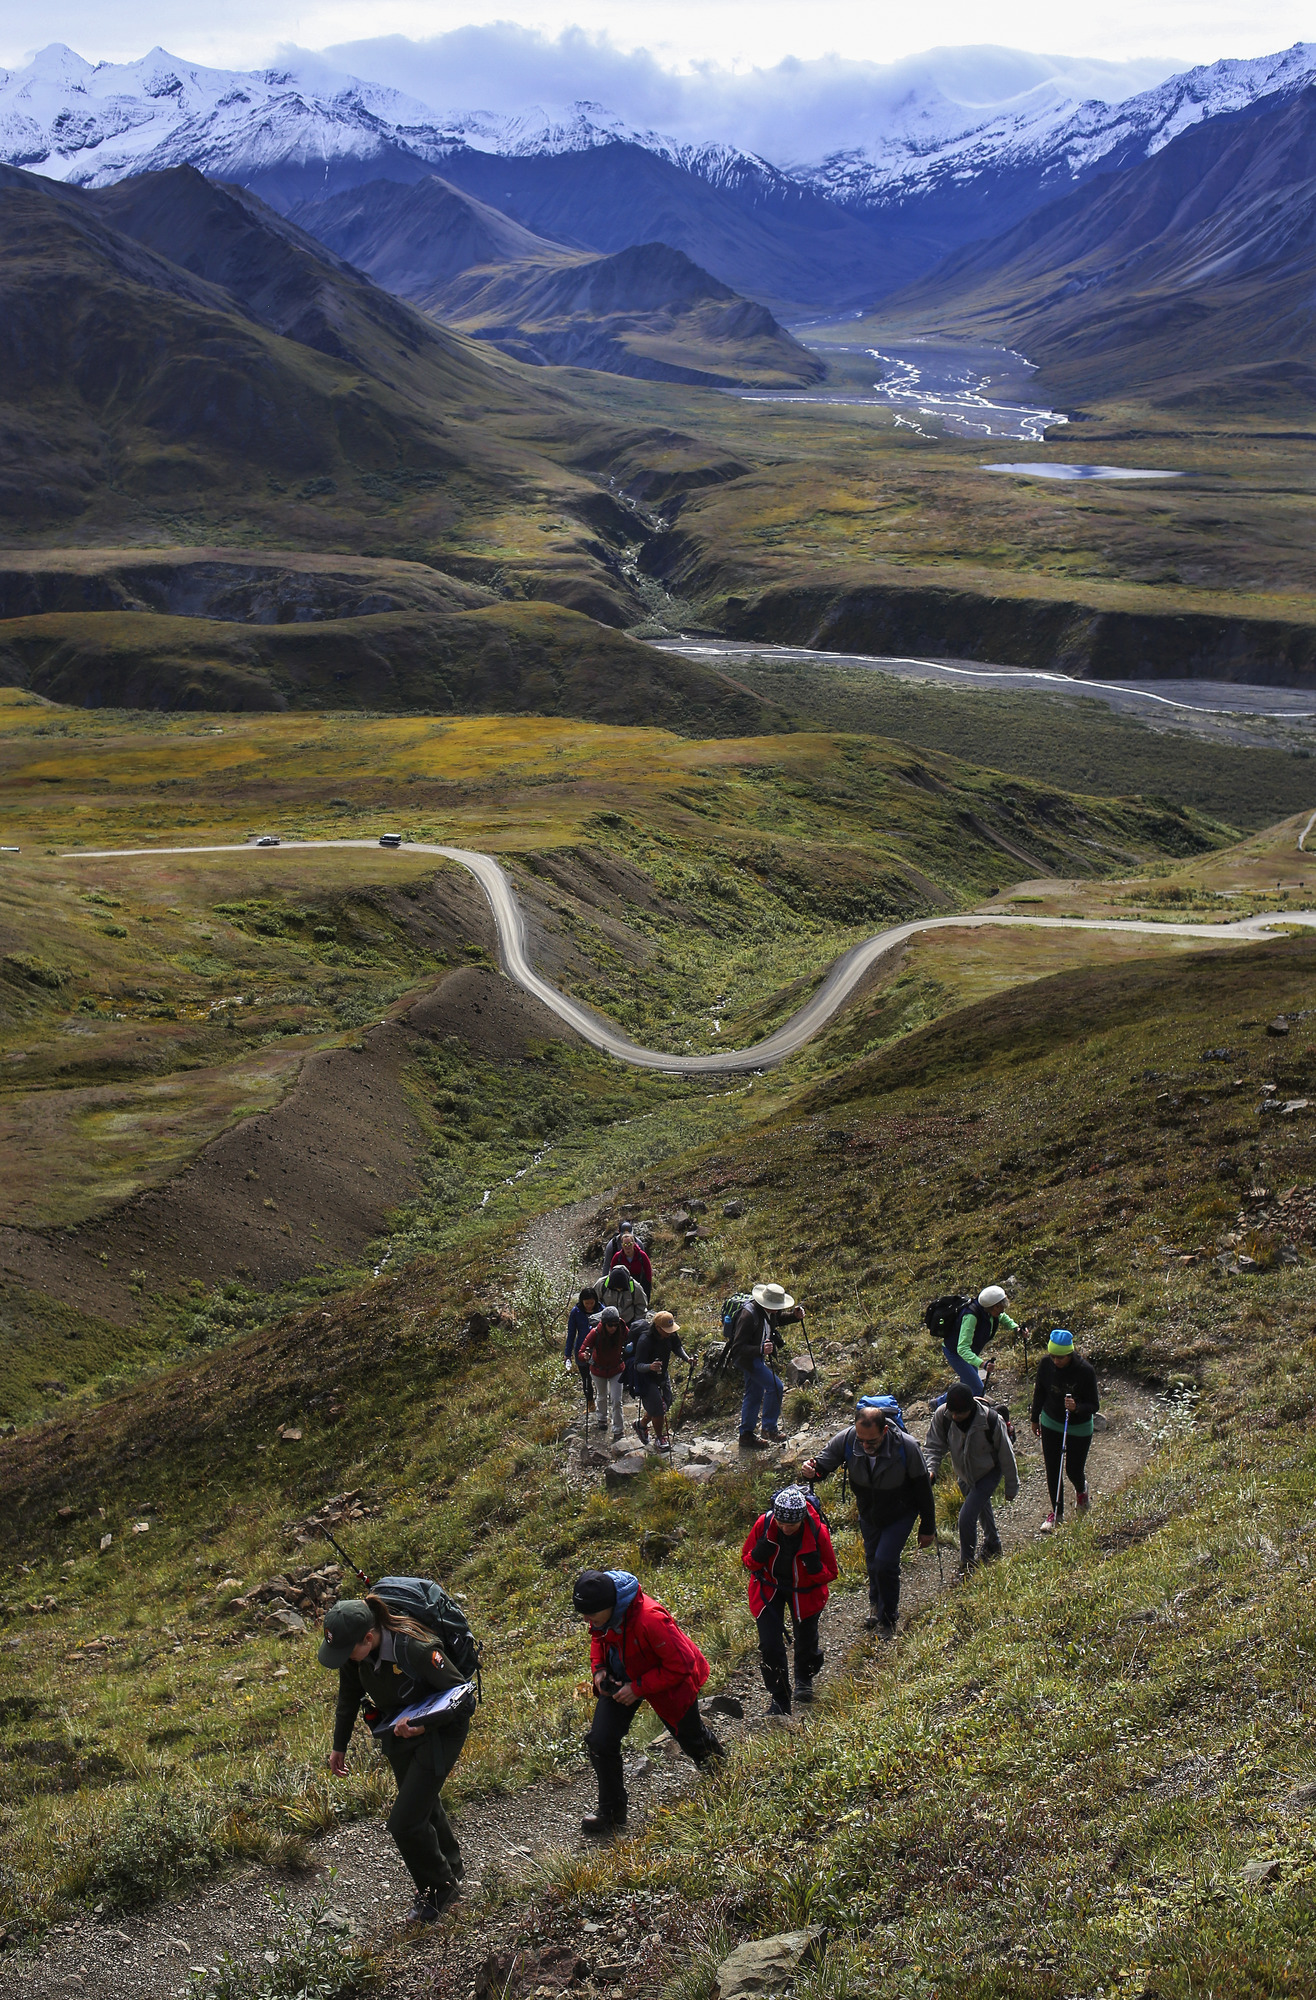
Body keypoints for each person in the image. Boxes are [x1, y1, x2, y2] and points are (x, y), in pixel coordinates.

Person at [320, 1593, 475, 1924]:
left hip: (441, 1732)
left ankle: (438, 1890)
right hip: (398, 1732)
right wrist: (339, 1745)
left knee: (404, 1822)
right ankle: (452, 1867)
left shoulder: (416, 1648)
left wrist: (422, 1725)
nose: (345, 1658)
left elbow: (463, 1699)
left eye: (348, 1651)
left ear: (369, 1637)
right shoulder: (355, 1656)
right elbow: (348, 1697)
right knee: (421, 1803)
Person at [573, 1569, 724, 1838]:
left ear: (610, 1605)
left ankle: (722, 1775)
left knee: (689, 1734)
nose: (586, 1620)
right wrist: (599, 1670)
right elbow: (599, 1637)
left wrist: (639, 1688)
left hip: (668, 1680)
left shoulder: (650, 1619)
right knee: (600, 1741)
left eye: (590, 1614)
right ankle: (611, 1812)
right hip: (623, 1679)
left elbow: (682, 1664)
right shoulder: (601, 1616)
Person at [802, 1396, 935, 1636]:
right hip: (868, 1511)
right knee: (873, 1561)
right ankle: (877, 1606)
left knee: (885, 1563)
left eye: (871, 1441)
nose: (865, 1446)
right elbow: (822, 1467)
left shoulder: (907, 1447)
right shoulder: (848, 1439)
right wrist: (811, 1471)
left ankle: (888, 1618)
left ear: (884, 1430)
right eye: (862, 1440)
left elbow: (923, 1489)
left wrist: (928, 1526)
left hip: (901, 1511)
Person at [741, 1486, 837, 1714]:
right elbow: (747, 1561)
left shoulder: (817, 1532)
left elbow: (831, 1572)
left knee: (806, 1637)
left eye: (791, 1525)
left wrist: (814, 1568)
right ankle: (779, 1699)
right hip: (768, 1587)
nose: (785, 1529)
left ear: (802, 1519)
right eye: (781, 1523)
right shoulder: (764, 1525)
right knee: (769, 1645)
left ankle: (804, 1679)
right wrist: (758, 1554)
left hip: (804, 1591)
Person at [924, 1382, 1019, 1576]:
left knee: (966, 1517)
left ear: (971, 1408)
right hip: (964, 1473)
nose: (955, 1417)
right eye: (953, 1412)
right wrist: (930, 1470)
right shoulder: (943, 1415)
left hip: (990, 1471)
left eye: (960, 1413)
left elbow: (1006, 1455)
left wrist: (1012, 1487)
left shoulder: (991, 1420)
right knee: (981, 1507)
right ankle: (994, 1543)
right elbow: (934, 1446)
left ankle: (967, 1565)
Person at [1031, 1328, 1100, 1527]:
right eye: (1053, 1356)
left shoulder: (1085, 1371)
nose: (1055, 1361)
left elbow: (1094, 1405)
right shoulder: (1046, 1365)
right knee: (1053, 1469)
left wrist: (1077, 1407)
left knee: (1073, 1469)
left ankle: (1081, 1490)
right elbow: (1040, 1391)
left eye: (1060, 1357)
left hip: (1079, 1426)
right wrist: (1035, 1418)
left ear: (1069, 1354)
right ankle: (1056, 1513)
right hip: (1051, 1421)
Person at [729, 1281, 804, 1449]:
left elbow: (777, 1320)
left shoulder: (770, 1310)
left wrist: (794, 1316)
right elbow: (737, 1348)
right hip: (748, 1359)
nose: (778, 1309)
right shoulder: (748, 1316)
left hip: (757, 1356)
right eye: (776, 1306)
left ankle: (746, 1435)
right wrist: (760, 1349)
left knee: (754, 1392)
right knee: (775, 1386)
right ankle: (769, 1429)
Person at [936, 1285, 1022, 1402]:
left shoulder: (989, 1311)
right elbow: (962, 1349)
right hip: (955, 1353)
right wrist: (982, 1364)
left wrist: (1016, 1328)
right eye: (1000, 1308)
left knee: (967, 1385)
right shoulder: (971, 1316)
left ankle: (938, 1402)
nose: (1002, 1311)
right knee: (977, 1389)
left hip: (969, 1352)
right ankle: (964, 1413)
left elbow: (1002, 1317)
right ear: (993, 1306)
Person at [632, 1310, 690, 1452]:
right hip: (646, 1377)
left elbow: (677, 1347)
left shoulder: (671, 1335)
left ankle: (641, 1425)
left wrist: (688, 1359)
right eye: (666, 1330)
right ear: (657, 1328)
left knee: (666, 1403)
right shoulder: (645, 1340)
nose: (670, 1333)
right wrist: (650, 1367)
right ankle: (660, 1438)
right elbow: (637, 1365)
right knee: (658, 1409)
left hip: (662, 1374)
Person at [578, 1304, 628, 1440]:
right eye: (610, 1325)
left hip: (617, 1369)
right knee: (601, 1396)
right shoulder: (595, 1333)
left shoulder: (622, 1329)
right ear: (604, 1323)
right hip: (598, 1370)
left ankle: (618, 1429)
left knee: (617, 1400)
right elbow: (581, 1351)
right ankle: (602, 1418)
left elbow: (630, 1339)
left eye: (615, 1324)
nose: (613, 1328)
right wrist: (585, 1356)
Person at [563, 1286, 600, 1412]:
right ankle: (590, 1402)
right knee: (586, 1378)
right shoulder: (576, 1312)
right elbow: (571, 1333)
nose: (589, 1306)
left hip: (599, 1349)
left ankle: (602, 1401)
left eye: (591, 1303)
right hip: (582, 1349)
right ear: (582, 1302)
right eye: (586, 1303)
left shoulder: (602, 1310)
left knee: (600, 1377)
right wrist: (567, 1354)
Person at [605, 1228, 653, 1295]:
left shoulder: (642, 1255)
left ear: (634, 1243)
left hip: (640, 1286)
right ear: (622, 1245)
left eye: (629, 1244)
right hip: (622, 1287)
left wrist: (647, 1289)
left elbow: (648, 1273)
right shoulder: (617, 1257)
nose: (627, 1246)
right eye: (625, 1244)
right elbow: (612, 1273)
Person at [601, 1262, 649, 1328]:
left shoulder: (636, 1287)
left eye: (621, 1289)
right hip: (606, 1324)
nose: (619, 1290)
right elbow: (594, 1303)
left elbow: (641, 1307)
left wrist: (636, 1325)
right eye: (616, 1288)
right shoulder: (602, 1284)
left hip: (628, 1323)